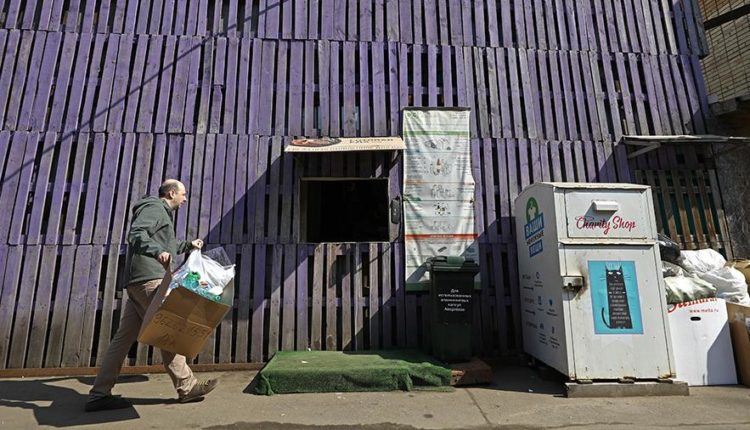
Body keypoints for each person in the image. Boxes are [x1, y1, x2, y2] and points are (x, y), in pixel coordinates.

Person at [85, 179, 218, 412]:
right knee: (168, 330)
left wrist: (188, 245)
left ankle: (99, 394)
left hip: (139, 282)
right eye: (183, 194)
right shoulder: (154, 208)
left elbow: (165, 245)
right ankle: (187, 387)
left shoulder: (161, 213)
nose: (185, 199)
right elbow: (136, 234)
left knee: (123, 340)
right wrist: (157, 252)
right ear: (172, 193)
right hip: (150, 280)